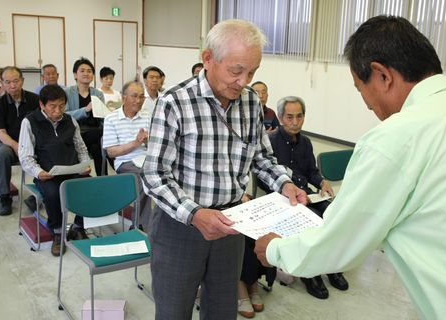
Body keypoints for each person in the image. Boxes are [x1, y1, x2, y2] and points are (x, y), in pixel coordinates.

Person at [254, 15, 446, 320]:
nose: (368, 105)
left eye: (360, 89)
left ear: (382, 75)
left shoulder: (397, 137)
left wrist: (275, 250)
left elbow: (341, 239)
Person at [141, 19, 306, 320]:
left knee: (222, 310)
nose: (244, 81)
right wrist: (194, 214)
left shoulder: (250, 103)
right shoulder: (174, 103)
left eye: (252, 72)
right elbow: (154, 176)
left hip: (232, 223)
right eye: (236, 70)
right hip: (182, 227)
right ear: (208, 59)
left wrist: (284, 184)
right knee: (174, 312)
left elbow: (261, 158)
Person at [262, 95, 349, 299]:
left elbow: (311, 170)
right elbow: (266, 176)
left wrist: (321, 182)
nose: (295, 122)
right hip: (281, 196)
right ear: (281, 118)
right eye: (289, 117)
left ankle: (331, 266)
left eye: (299, 117)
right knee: (312, 222)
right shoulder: (271, 141)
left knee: (332, 214)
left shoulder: (306, 142)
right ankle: (310, 274)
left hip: (307, 194)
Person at [18, 85, 92, 256]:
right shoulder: (30, 122)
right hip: (47, 175)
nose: (58, 111)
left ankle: (78, 227)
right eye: (53, 106)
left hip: (72, 170)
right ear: (42, 105)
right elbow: (25, 156)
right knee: (53, 193)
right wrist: (38, 172)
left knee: (90, 187)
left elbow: (80, 148)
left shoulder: (70, 121)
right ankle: (58, 232)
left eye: (61, 105)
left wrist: (84, 165)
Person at [102, 81, 151, 230]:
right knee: (145, 178)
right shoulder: (111, 119)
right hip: (125, 162)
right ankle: (139, 225)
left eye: (142, 96)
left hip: (147, 159)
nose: (138, 100)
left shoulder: (148, 116)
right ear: (124, 98)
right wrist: (135, 143)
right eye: (134, 96)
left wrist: (148, 141)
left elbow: (155, 145)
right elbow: (111, 152)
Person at [0, 66, 39, 215]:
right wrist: (16, 145)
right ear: (2, 84)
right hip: (9, 143)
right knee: (3, 154)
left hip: (32, 143)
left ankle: (39, 195)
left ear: (22, 81)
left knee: (49, 150)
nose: (12, 85)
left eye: (16, 81)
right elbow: (0, 132)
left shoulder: (35, 100)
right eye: (8, 82)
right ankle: (5, 197)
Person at [65, 57, 105, 176]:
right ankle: (102, 177)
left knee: (96, 146)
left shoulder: (98, 94)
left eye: (89, 71)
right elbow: (65, 115)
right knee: (97, 142)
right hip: (75, 131)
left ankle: (96, 178)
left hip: (95, 131)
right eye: (82, 71)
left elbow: (103, 117)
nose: (86, 73)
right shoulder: (67, 92)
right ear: (75, 75)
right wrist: (85, 110)